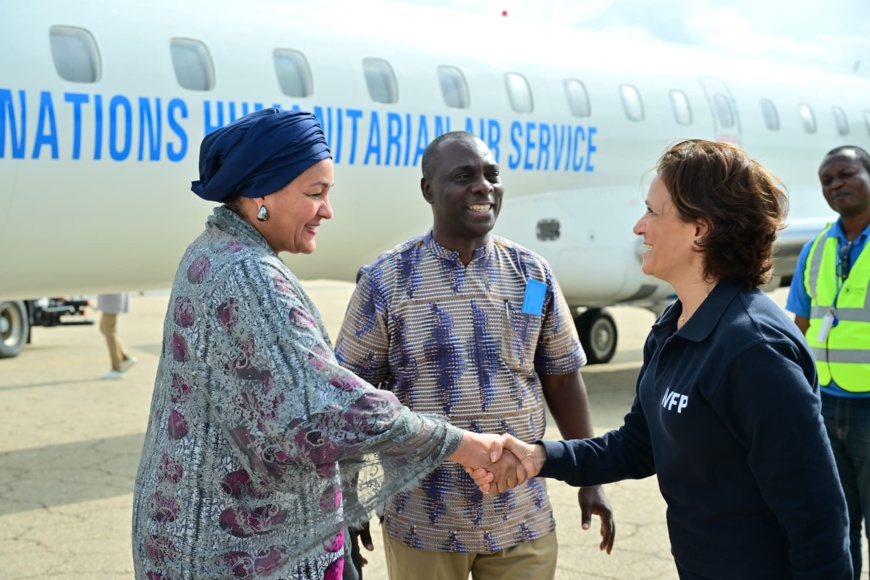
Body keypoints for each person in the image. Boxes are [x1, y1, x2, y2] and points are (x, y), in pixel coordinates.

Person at [130, 110, 524, 580]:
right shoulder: (250, 275)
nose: (327, 210)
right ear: (260, 194)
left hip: (197, 536)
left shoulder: (214, 249)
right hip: (240, 554)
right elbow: (328, 407)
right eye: (314, 194)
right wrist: (460, 444)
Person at [471, 139, 853, 578]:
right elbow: (639, 445)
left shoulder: (754, 350)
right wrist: (541, 457)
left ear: (700, 230)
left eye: (653, 212)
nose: (639, 226)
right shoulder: (673, 326)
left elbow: (818, 518)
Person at [334, 131, 614, 580]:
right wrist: (349, 501)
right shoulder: (386, 281)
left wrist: (590, 475)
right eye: (464, 176)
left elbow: (562, 377)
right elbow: (351, 399)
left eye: (491, 175)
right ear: (428, 189)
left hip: (521, 518)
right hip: (423, 522)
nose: (483, 186)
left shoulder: (533, 277)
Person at [785, 144, 870, 577]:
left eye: (846, 174)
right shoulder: (815, 248)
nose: (836, 184)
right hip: (825, 405)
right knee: (837, 525)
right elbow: (798, 328)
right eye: (826, 180)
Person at [96, 292, 136, 380]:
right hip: (111, 298)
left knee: (109, 332)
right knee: (104, 329)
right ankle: (125, 357)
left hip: (111, 299)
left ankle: (117, 368)